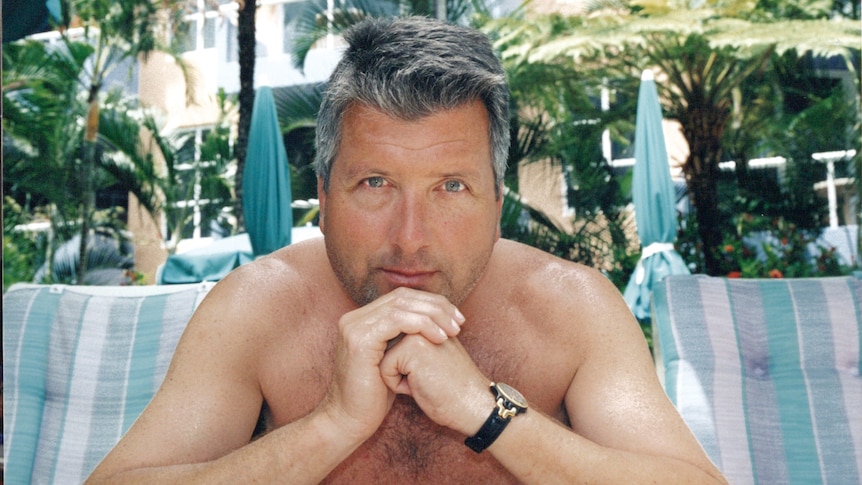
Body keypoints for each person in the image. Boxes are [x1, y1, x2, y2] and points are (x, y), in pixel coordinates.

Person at [87, 16, 727, 484]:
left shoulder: (572, 309)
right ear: (323, 196)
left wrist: (488, 413)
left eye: (452, 187)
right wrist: (331, 424)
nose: (411, 236)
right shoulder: (256, 309)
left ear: (497, 202)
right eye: (375, 183)